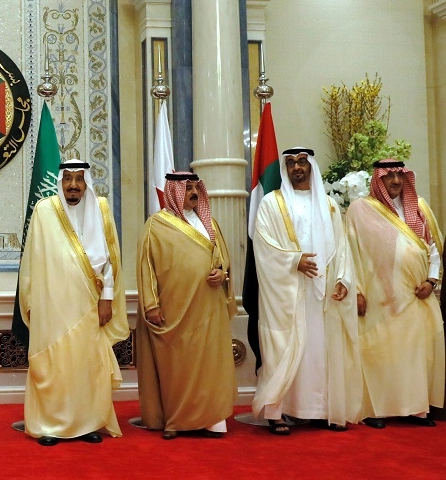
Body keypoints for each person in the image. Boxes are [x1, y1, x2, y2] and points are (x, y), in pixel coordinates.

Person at [18, 160, 129, 446]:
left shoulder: (101, 209)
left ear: (87, 182)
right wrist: (31, 300)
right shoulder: (45, 210)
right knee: (53, 364)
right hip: (52, 304)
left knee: (86, 364)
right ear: (60, 182)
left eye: (79, 179)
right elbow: (32, 260)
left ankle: (87, 422)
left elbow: (110, 262)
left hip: (89, 302)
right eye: (67, 178)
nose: (73, 185)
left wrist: (107, 299)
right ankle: (48, 424)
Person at [251, 147, 360, 434]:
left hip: (320, 292)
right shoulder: (272, 203)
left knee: (319, 350)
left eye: (302, 162)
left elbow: (341, 246)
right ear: (285, 169)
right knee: (283, 348)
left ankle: (319, 410)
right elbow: (263, 243)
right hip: (286, 292)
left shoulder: (329, 205)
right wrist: (294, 261)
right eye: (290, 163)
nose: (297, 167)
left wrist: (343, 279)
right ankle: (276, 412)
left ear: (311, 166)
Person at [136, 171, 236, 440]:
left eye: (195, 188)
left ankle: (213, 420)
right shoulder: (156, 225)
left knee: (210, 365)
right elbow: (146, 267)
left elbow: (223, 260)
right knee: (177, 367)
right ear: (173, 192)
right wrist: (151, 305)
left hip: (209, 308)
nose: (193, 193)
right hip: (174, 310)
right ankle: (177, 421)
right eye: (187, 188)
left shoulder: (209, 223)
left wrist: (222, 274)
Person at [346, 159, 444, 428]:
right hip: (379, 296)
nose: (396, 181)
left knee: (416, 351)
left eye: (400, 175)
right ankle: (375, 410)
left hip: (416, 294)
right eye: (389, 176)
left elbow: (433, 247)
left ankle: (415, 409)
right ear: (378, 180)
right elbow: (350, 252)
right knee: (380, 351)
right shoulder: (361, 209)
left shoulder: (420, 207)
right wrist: (357, 292)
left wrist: (432, 279)